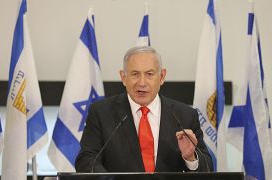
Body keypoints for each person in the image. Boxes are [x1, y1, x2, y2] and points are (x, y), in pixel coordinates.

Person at [75, 46, 213, 172]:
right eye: (135, 74)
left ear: (162, 76)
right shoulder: (101, 112)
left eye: (149, 74)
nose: (142, 82)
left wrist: (190, 157)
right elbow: (86, 160)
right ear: (124, 77)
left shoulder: (185, 115)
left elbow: (207, 167)